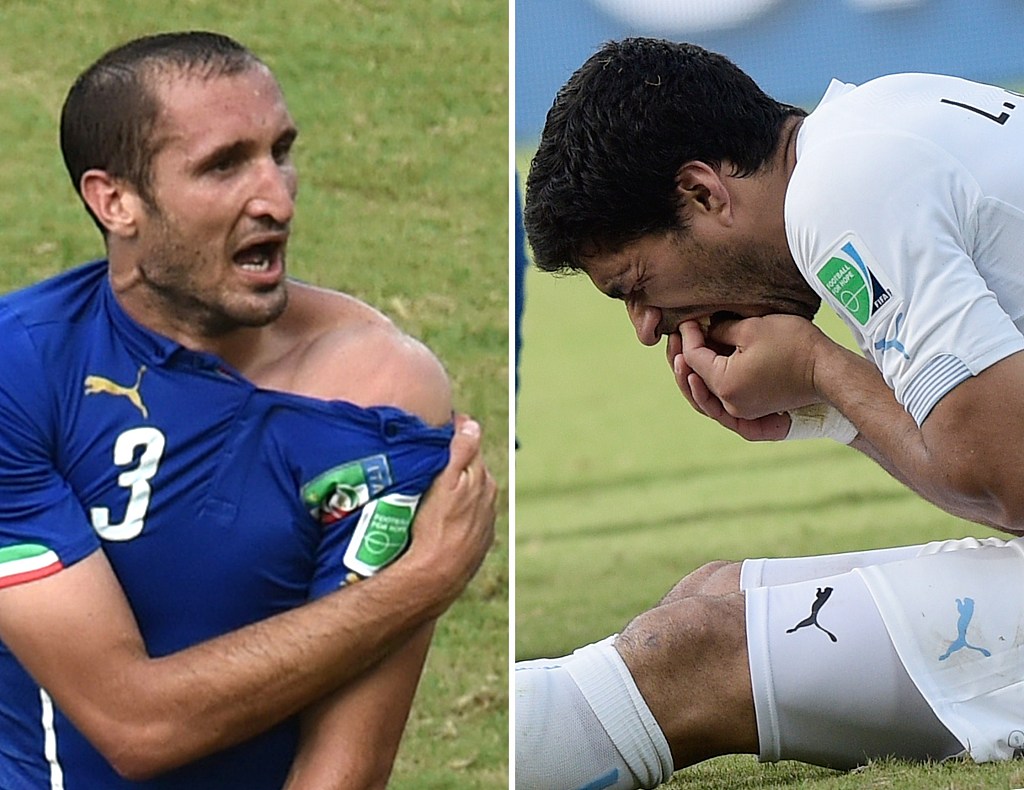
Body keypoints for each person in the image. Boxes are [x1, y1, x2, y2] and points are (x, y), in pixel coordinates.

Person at [516, 36, 1024, 789]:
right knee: (713, 593)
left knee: (690, 652)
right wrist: (824, 403)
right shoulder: (872, 122)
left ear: (702, 194)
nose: (647, 325)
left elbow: (1006, 486)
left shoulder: (841, 192)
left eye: (634, 284)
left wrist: (822, 369)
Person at [0, 31, 497, 789]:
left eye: (281, 152)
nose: (276, 198)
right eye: (224, 165)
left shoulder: (375, 392)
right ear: (115, 200)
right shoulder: (23, 370)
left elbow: (346, 767)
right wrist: (420, 582)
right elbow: (133, 725)